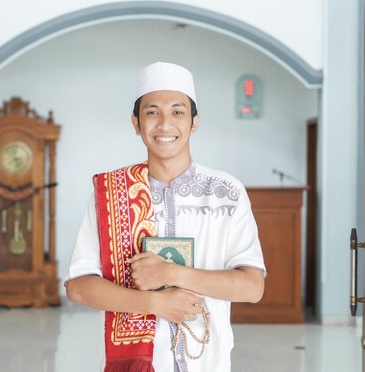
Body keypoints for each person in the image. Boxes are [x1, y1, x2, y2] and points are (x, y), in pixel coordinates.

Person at [66, 62, 266, 372]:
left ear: (194, 122)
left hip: (208, 361)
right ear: (136, 123)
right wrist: (154, 303)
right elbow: (78, 287)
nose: (164, 124)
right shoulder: (110, 194)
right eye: (152, 112)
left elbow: (252, 287)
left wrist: (171, 273)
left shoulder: (226, 192)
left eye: (177, 112)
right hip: (139, 362)